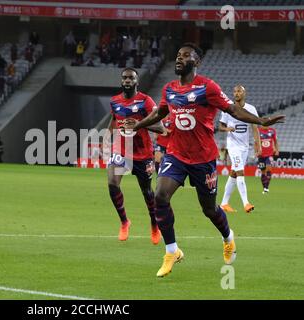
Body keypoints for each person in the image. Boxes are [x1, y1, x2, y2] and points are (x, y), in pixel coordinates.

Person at [123, 43, 284, 277]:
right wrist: (137, 125)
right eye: (178, 55)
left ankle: (228, 238)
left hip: (203, 158)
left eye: (185, 56)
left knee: (209, 209)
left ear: (196, 62)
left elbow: (233, 110)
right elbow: (159, 114)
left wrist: (261, 121)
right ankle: (172, 251)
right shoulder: (169, 89)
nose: (179, 58)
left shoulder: (207, 87)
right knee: (160, 195)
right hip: (176, 155)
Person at [106, 67, 165, 246]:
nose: (127, 80)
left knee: (147, 192)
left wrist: (139, 124)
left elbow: (161, 128)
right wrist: (108, 139)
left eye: (131, 78)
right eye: (124, 78)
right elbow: (114, 121)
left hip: (142, 154)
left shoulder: (145, 101)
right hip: (121, 151)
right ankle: (124, 222)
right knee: (112, 183)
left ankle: (155, 225)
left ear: (136, 81)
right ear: (121, 81)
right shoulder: (115, 101)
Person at [219, 85, 260, 214]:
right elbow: (220, 126)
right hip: (233, 146)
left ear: (244, 93)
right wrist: (227, 129)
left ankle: (224, 203)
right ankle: (246, 203)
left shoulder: (251, 109)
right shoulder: (228, 108)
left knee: (234, 174)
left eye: (239, 91)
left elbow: (255, 127)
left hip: (244, 147)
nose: (236, 94)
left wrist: (257, 143)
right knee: (240, 172)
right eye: (235, 91)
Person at [257, 126, 279, 194]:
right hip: (261, 156)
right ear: (262, 124)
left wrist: (277, 150)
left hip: (269, 155)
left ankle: (266, 188)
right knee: (263, 172)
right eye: (265, 124)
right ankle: (264, 188)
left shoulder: (272, 130)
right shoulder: (258, 131)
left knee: (269, 169)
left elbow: (275, 141)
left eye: (268, 124)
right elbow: (255, 142)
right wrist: (256, 152)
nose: (267, 126)